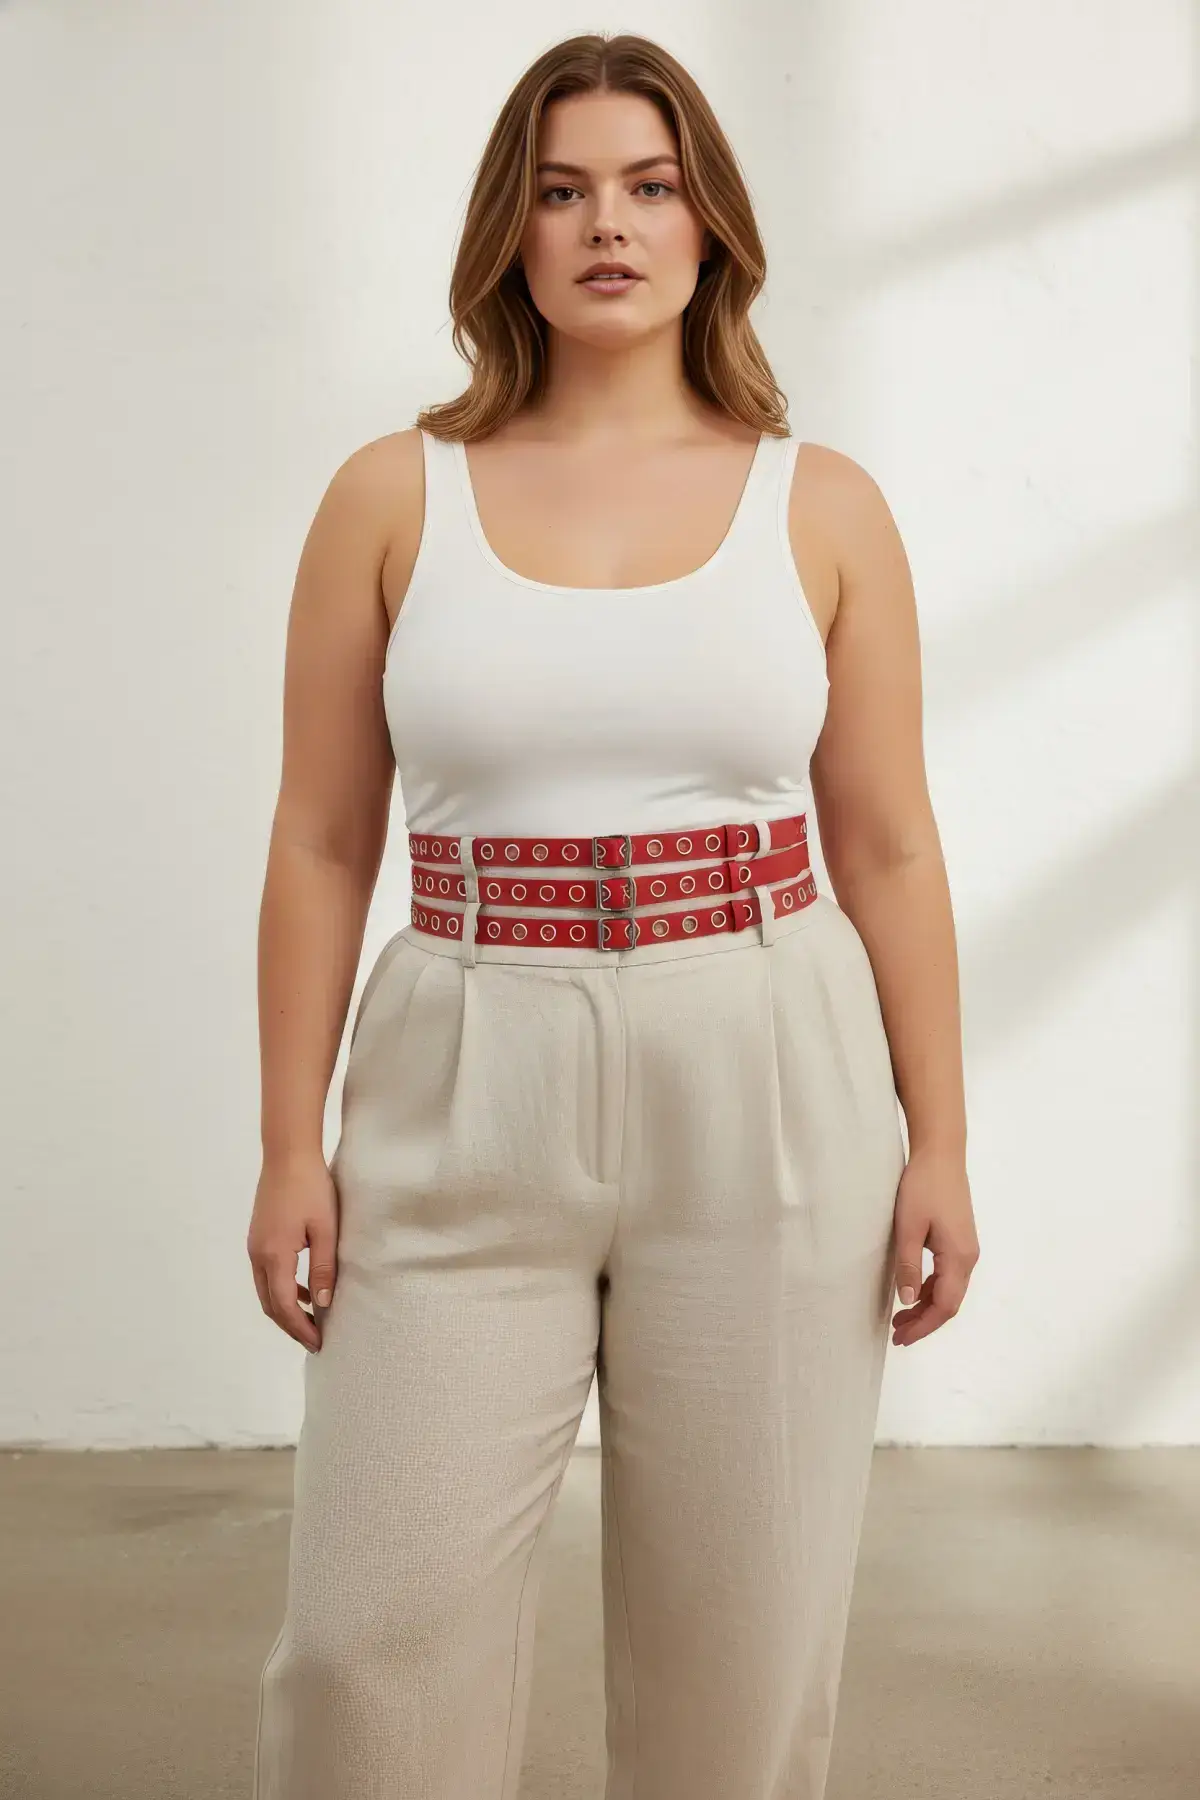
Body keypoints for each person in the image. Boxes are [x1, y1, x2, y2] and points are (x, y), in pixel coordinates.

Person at [246, 29, 980, 1800]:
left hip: (769, 1066)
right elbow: (324, 839)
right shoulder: (389, 495)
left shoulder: (823, 506)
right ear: (508, 230)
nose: (609, 226)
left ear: (710, 222)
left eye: (651, 187)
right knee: (367, 1645)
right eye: (561, 190)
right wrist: (287, 1145)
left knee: (744, 1654)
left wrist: (942, 1143)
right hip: (461, 1059)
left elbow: (887, 845)